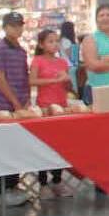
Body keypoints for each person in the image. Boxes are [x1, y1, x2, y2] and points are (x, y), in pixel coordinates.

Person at [0, 12, 32, 207]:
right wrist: (15, 102)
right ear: (5, 27)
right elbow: (0, 78)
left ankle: (13, 186)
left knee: (16, 147)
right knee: (5, 148)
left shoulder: (21, 50)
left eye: (20, 25)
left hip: (20, 105)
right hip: (4, 105)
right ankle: (3, 189)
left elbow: (24, 76)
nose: (17, 29)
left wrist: (26, 99)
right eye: (13, 25)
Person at [32, 28, 74, 199]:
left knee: (60, 146)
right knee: (44, 146)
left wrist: (67, 81)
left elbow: (68, 87)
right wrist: (53, 80)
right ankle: (42, 183)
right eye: (50, 41)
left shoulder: (62, 62)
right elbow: (32, 81)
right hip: (44, 107)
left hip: (61, 107)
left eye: (56, 41)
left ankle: (57, 180)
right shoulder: (37, 61)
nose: (55, 44)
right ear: (41, 45)